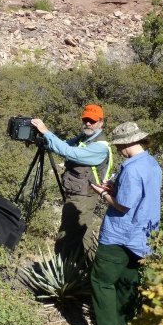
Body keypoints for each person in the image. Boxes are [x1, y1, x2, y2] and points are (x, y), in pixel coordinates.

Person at [84, 121, 162, 325]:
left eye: (119, 146)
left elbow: (123, 205)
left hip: (120, 234)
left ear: (128, 143)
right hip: (143, 235)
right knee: (128, 281)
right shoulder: (151, 163)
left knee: (101, 281)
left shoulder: (131, 168)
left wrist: (103, 194)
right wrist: (116, 188)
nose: (118, 150)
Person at [31, 104, 113, 260]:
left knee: (69, 233)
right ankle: (87, 267)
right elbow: (64, 144)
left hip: (84, 196)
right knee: (83, 232)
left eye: (93, 121)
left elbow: (69, 152)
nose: (88, 123)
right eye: (86, 120)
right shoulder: (85, 138)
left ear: (101, 123)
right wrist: (42, 139)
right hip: (77, 193)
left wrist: (46, 131)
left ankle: (67, 267)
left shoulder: (99, 147)